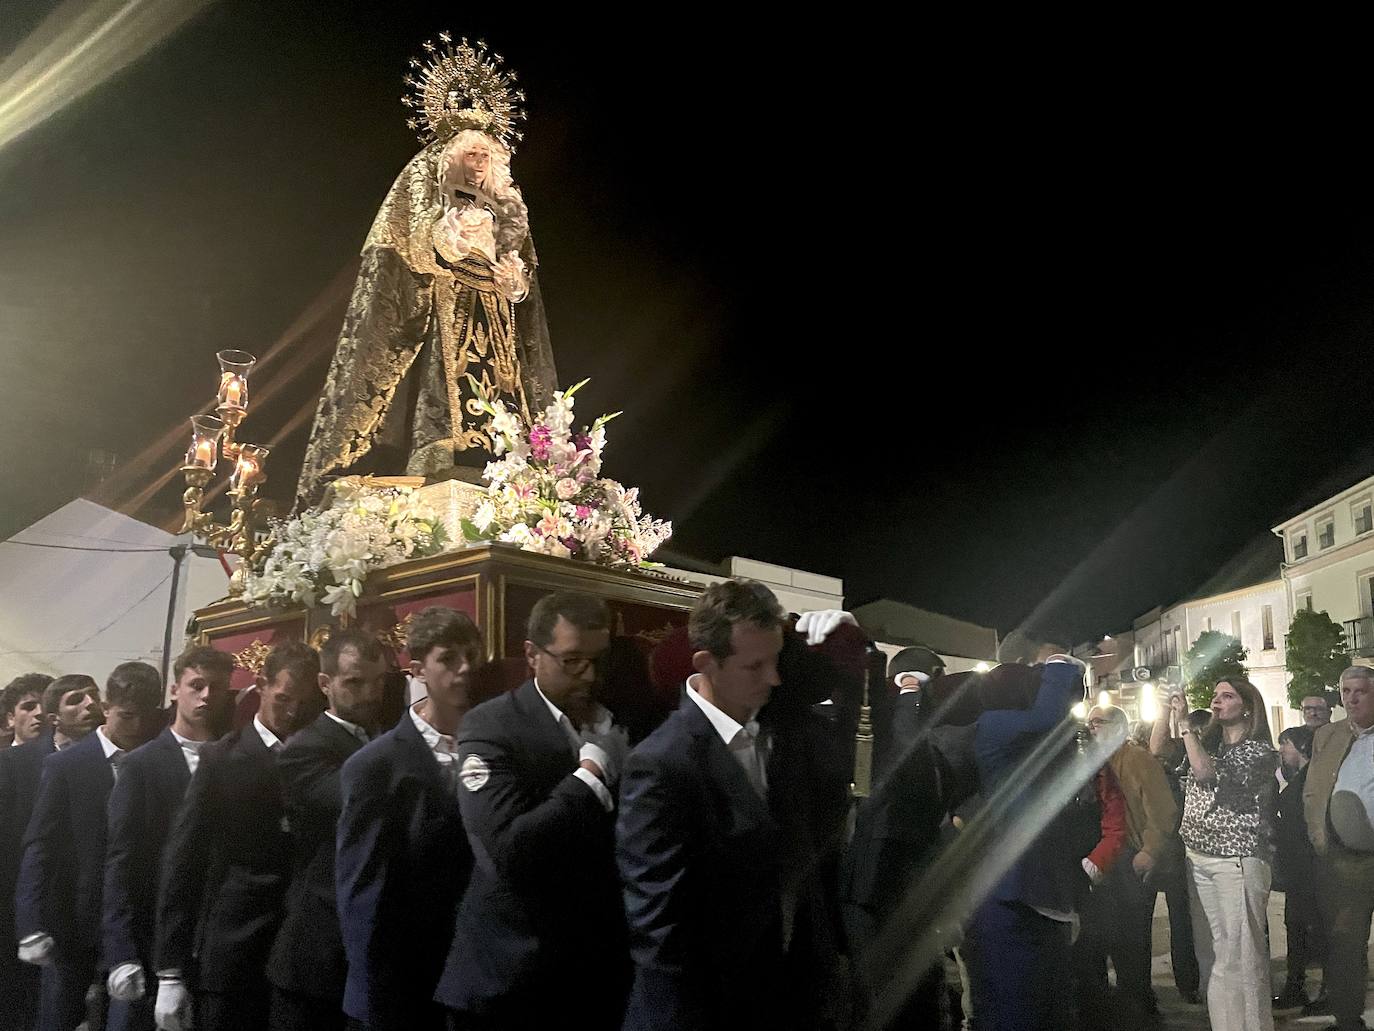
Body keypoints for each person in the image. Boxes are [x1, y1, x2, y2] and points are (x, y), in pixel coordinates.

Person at [296, 41, 557, 505]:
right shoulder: (427, 185)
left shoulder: (504, 205)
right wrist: (453, 237)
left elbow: (522, 273)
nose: (479, 166)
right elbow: (411, 249)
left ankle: (505, 459)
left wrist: (511, 277)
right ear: (451, 156)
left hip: (493, 310)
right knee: (444, 383)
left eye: (487, 158)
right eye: (472, 156)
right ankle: (437, 454)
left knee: (502, 392)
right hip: (445, 303)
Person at [436, 591, 629, 1028]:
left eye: (600, 659)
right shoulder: (490, 726)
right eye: (572, 660)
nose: (590, 675)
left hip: (593, 975)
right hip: (513, 977)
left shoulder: (616, 714)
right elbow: (509, 849)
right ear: (532, 655)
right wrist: (590, 777)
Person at [617, 579, 795, 1029]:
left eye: (776, 661)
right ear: (706, 663)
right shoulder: (661, 762)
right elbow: (658, 925)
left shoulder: (772, 728)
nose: (773, 679)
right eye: (755, 666)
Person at [153, 640, 320, 1031]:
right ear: (261, 685)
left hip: (300, 953)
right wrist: (171, 969)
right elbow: (183, 862)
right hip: (234, 949)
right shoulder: (221, 758)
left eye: (304, 702)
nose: (293, 711)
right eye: (283, 699)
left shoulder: (320, 755)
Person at [336, 607, 479, 1031]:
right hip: (404, 976)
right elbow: (361, 887)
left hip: (471, 966)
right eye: (449, 658)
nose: (465, 669)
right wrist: (372, 992)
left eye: (471, 655)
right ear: (418, 669)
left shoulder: (491, 742)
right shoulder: (375, 764)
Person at [16, 665, 163, 1031]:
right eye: (127, 715)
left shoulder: (154, 761)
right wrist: (30, 921)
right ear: (107, 705)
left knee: (127, 1016)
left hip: (132, 918)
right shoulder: (67, 764)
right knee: (59, 1015)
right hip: (73, 917)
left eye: (145, 717)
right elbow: (40, 845)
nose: (136, 725)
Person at [960, 652, 1095, 1031]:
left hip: (1033, 888)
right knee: (1014, 1005)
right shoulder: (994, 724)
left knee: (1041, 1002)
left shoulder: (1021, 737)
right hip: (1011, 890)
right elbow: (1048, 717)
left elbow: (1060, 720)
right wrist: (1058, 665)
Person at [102, 647, 233, 1030]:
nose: (207, 695)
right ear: (176, 690)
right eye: (197, 685)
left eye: (216, 687)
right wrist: (121, 951)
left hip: (209, 933)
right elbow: (121, 861)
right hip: (148, 929)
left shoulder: (233, 756)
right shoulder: (142, 763)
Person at [266, 629, 386, 1031]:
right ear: (325, 684)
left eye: (378, 682)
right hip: (318, 950)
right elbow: (358, 806)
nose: (369, 694)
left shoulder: (383, 737)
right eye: (354, 682)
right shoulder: (305, 748)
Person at [842, 645, 952, 1027]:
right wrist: (909, 691)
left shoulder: (925, 730)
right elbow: (906, 748)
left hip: (904, 880)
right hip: (877, 883)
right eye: (934, 679)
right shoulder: (887, 718)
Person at [1177, 677, 1278, 1031]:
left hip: (1237, 860)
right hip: (1200, 858)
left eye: (1227, 695)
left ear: (1247, 707)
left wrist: (1187, 727)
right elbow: (1159, 750)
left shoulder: (1259, 751)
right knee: (1218, 956)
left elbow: (1206, 775)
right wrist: (1171, 713)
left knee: (1243, 957)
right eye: (1215, 696)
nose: (1217, 701)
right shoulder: (1211, 746)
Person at [1075, 704, 1179, 1026]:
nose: (1092, 728)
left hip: (1130, 857)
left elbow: (1162, 809)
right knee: (1102, 939)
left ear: (1119, 727)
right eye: (1089, 722)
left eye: (1099, 722)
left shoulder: (1137, 759)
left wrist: (1150, 850)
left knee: (1131, 941)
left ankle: (1140, 1007)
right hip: (1103, 859)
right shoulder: (1091, 762)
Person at [1303, 665, 1374, 1031]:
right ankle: (1348, 1019)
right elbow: (1314, 788)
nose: (1351, 699)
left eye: (1359, 691)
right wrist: (1320, 837)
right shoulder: (1328, 735)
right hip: (1345, 858)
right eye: (1346, 692)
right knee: (1345, 942)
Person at [0, 673, 55, 1031]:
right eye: (28, 706)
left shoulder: (64, 763)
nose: (38, 714)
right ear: (9, 718)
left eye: (44, 707)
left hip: (47, 898)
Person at [1272, 724, 1326, 1012]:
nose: (1282, 750)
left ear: (1301, 747)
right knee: (1296, 926)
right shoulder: (1296, 777)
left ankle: (1312, 989)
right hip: (1297, 865)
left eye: (1286, 744)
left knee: (1308, 926)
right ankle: (1296, 986)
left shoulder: (1311, 779)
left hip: (1307, 865)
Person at [3, 673, 51, 749]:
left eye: (46, 706)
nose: (40, 712)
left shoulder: (71, 759)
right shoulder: (3, 760)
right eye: (29, 707)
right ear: (11, 719)